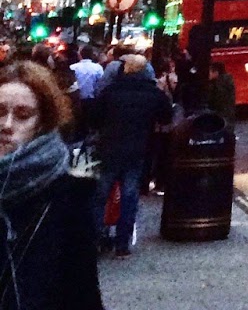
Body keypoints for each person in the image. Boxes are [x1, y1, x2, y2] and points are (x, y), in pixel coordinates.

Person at [0, 59, 104, 308]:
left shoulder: (69, 198)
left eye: (23, 115)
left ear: (42, 123)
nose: (6, 125)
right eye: (0, 112)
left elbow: (83, 294)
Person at [87, 54, 171, 257]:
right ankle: (122, 245)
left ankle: (96, 240)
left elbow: (93, 118)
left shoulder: (110, 91)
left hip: (109, 148)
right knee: (129, 196)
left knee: (101, 196)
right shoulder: (152, 93)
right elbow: (166, 117)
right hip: (137, 149)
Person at [204, 61, 236, 129]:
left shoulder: (218, 84)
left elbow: (216, 99)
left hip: (220, 113)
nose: (209, 74)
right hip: (228, 112)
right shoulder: (227, 80)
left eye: (210, 72)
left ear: (216, 72)